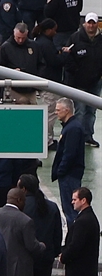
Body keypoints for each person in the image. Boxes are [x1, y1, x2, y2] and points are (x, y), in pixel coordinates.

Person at [53, 95, 89, 224]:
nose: (56, 112)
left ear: (67, 110)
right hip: (69, 174)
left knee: (71, 210)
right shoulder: (71, 126)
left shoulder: (73, 128)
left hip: (69, 175)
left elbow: (69, 154)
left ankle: (74, 233)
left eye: (58, 110)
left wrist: (60, 171)